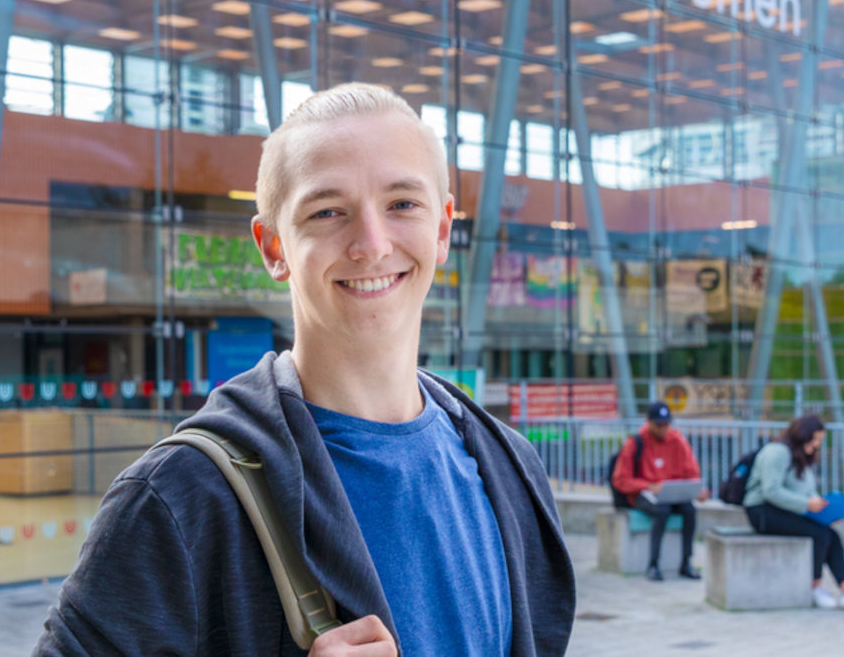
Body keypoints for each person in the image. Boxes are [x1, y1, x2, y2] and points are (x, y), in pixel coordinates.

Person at [34, 83, 576, 656]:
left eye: (402, 205)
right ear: (273, 247)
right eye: (327, 212)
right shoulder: (179, 498)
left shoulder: (510, 469)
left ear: (442, 229)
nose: (370, 244)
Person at [743, 414, 844, 610]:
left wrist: (825, 511)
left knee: (831, 534)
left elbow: (807, 492)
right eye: (815, 439)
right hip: (762, 511)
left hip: (788, 509)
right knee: (819, 535)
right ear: (803, 435)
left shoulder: (802, 459)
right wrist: (807, 504)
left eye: (820, 440)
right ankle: (813, 586)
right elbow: (770, 490)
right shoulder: (777, 452)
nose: (817, 444)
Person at [609, 401, 705, 581]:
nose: (663, 428)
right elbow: (620, 479)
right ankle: (653, 565)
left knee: (689, 510)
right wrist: (647, 486)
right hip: (642, 495)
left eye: (666, 424)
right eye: (658, 424)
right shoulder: (635, 443)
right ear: (649, 422)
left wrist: (695, 490)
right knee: (662, 512)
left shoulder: (678, 441)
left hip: (671, 494)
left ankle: (686, 562)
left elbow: (691, 472)